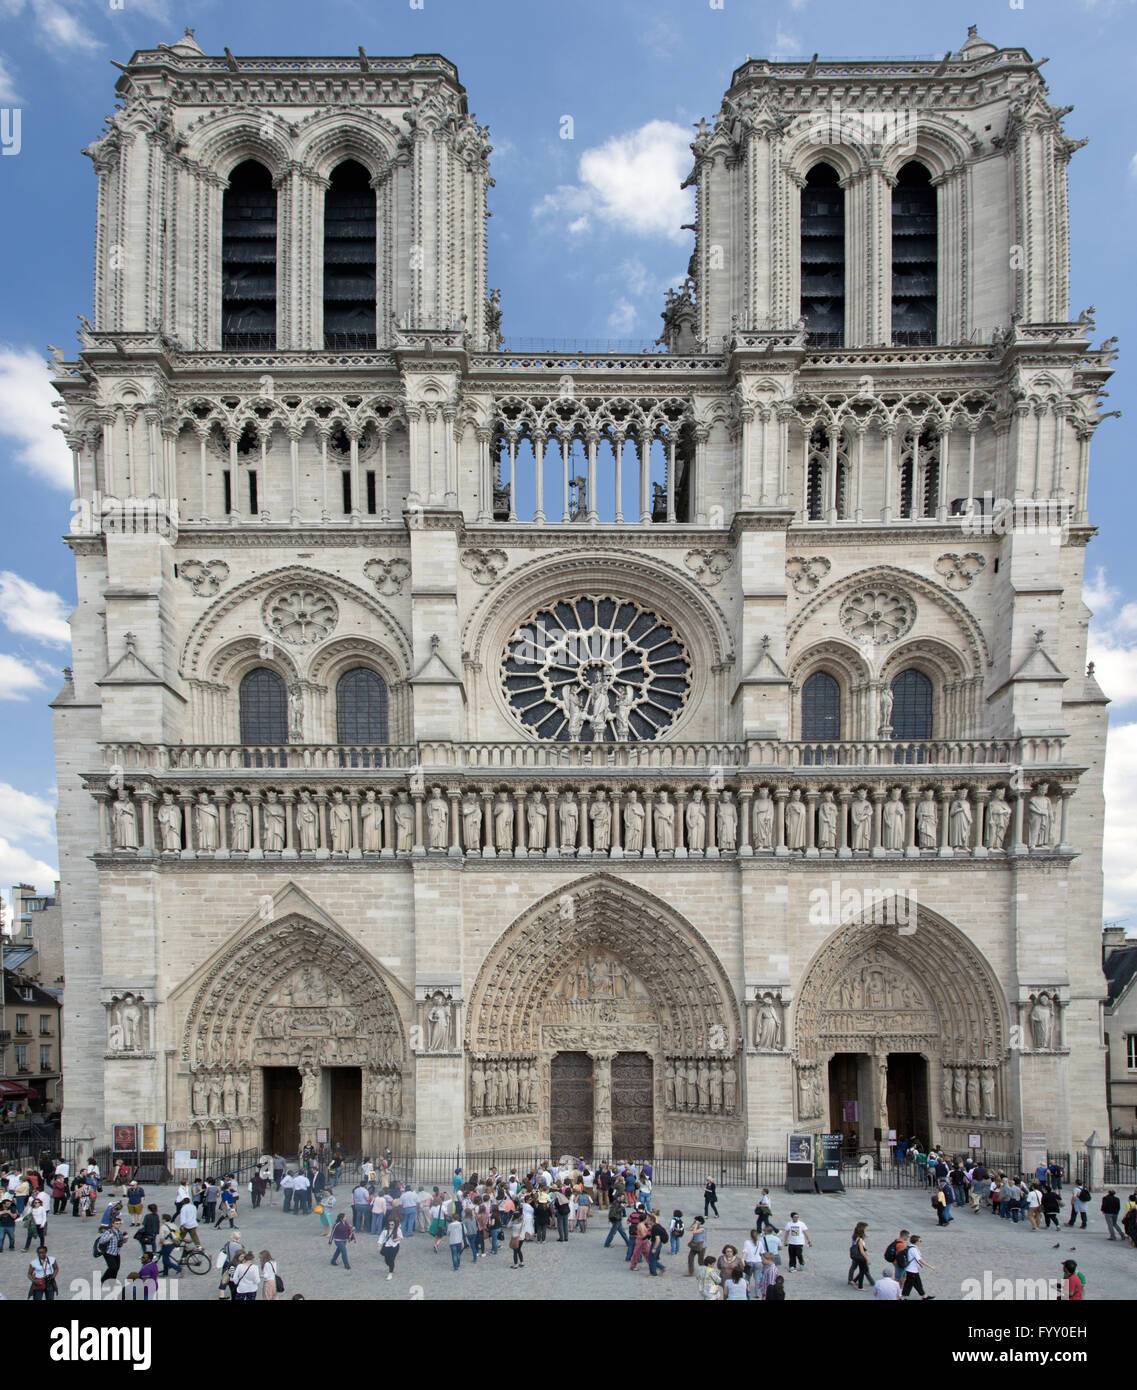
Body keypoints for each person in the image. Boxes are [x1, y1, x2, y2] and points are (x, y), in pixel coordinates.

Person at [899, 1234, 935, 1300]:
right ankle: (902, 1297)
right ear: (916, 1241)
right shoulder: (914, 1249)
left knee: (917, 1283)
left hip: (913, 1270)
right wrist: (930, 1266)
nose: (920, 1242)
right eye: (920, 1240)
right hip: (911, 1270)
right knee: (909, 1285)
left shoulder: (910, 1247)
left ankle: (924, 1296)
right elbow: (920, 1260)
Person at [95, 1219, 123, 1284]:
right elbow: (101, 1241)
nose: (118, 1225)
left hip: (116, 1252)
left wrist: (125, 1238)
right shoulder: (108, 1232)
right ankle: (103, 1279)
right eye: (116, 1223)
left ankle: (113, 1281)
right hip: (109, 1252)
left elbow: (122, 1241)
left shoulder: (120, 1232)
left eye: (119, 1223)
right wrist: (109, 1237)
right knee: (112, 1267)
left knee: (117, 1268)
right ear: (112, 1224)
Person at [848, 1221, 871, 1288]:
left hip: (856, 1256)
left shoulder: (855, 1236)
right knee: (863, 1270)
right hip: (860, 1257)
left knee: (861, 1269)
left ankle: (853, 1281)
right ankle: (857, 1283)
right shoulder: (860, 1239)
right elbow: (862, 1251)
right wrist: (867, 1259)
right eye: (865, 1228)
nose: (866, 1229)